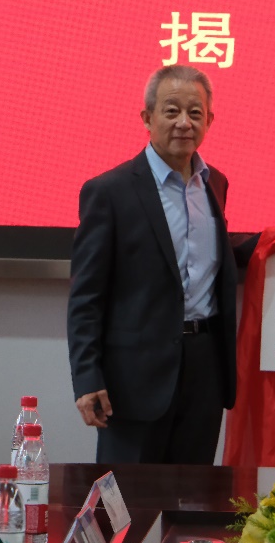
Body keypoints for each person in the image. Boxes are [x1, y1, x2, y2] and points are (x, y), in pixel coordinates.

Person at [67, 64, 254, 464]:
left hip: (205, 370)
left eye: (195, 113)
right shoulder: (109, 191)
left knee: (193, 494)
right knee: (126, 499)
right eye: (172, 111)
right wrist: (87, 378)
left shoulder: (215, 183)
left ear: (209, 121)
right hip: (134, 378)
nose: (184, 122)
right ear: (147, 117)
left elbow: (210, 254)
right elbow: (86, 297)